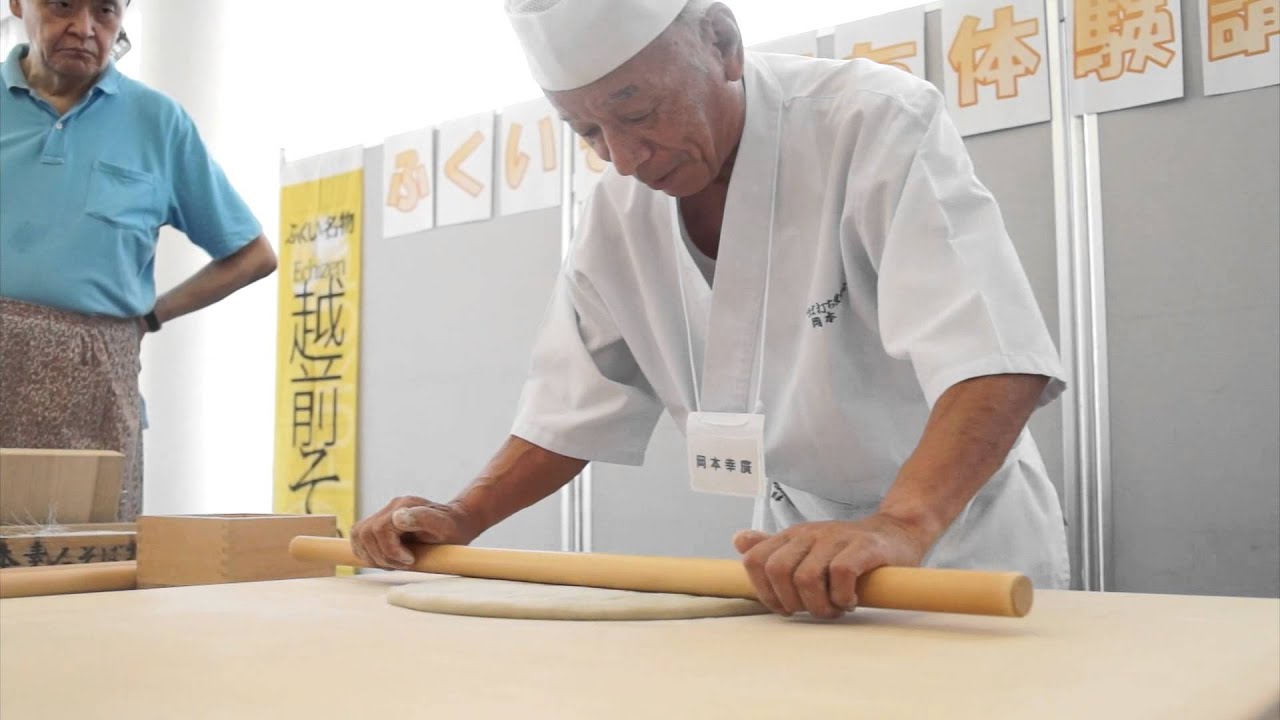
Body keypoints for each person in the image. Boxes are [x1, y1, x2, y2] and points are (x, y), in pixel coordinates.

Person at [353, 0, 1070, 618]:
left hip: (955, 531)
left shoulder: (871, 120)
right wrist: (463, 514)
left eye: (636, 111)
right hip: (791, 552)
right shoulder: (618, 210)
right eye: (588, 132)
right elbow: (568, 407)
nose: (625, 158)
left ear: (721, 44)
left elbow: (993, 354)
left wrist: (903, 522)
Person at [0, 0, 277, 521]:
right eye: (62, 6)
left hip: (95, 381)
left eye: (105, 12)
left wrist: (153, 315)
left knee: (90, 568)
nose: (84, 29)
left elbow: (252, 255)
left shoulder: (157, 121)